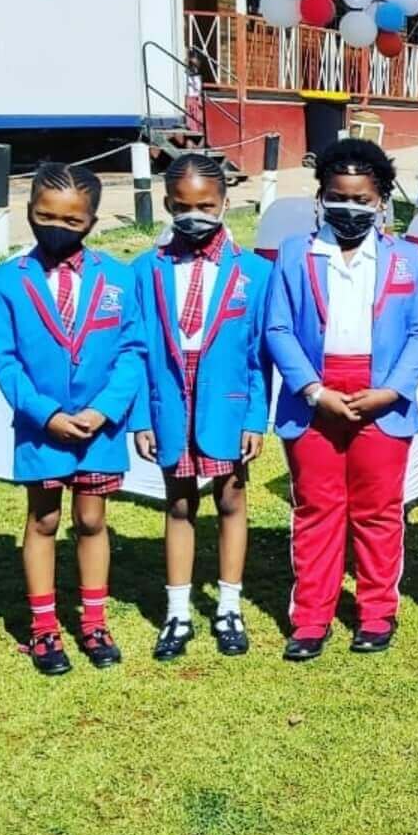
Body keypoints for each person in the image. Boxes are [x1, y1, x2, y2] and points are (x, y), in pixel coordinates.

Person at [265, 140, 418, 661]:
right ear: (321, 197)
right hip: (315, 395)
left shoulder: (407, 258)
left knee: (377, 511)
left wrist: (391, 391)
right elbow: (278, 328)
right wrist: (314, 391)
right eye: (338, 197)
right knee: (316, 508)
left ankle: (377, 613)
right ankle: (311, 618)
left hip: (381, 396)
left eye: (362, 200)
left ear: (381, 201)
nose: (350, 208)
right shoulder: (295, 254)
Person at [0, 161, 145, 676]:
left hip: (100, 428)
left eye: (72, 221)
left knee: (92, 519)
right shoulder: (4, 283)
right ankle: (44, 627)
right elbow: (5, 360)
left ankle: (94, 621)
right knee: (44, 518)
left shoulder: (119, 279)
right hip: (42, 429)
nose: (57, 228)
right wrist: (45, 414)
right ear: (29, 211)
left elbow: (132, 351)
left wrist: (104, 410)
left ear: (92, 221)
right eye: (45, 216)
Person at [130, 153, 272, 661]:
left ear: (225, 203)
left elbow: (259, 354)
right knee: (179, 503)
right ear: (168, 204)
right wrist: (141, 418)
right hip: (170, 400)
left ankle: (228, 606)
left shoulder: (254, 271)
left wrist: (255, 417)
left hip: (226, 406)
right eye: (183, 206)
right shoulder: (145, 270)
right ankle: (178, 612)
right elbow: (136, 350)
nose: (195, 216)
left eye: (206, 206)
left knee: (231, 499)